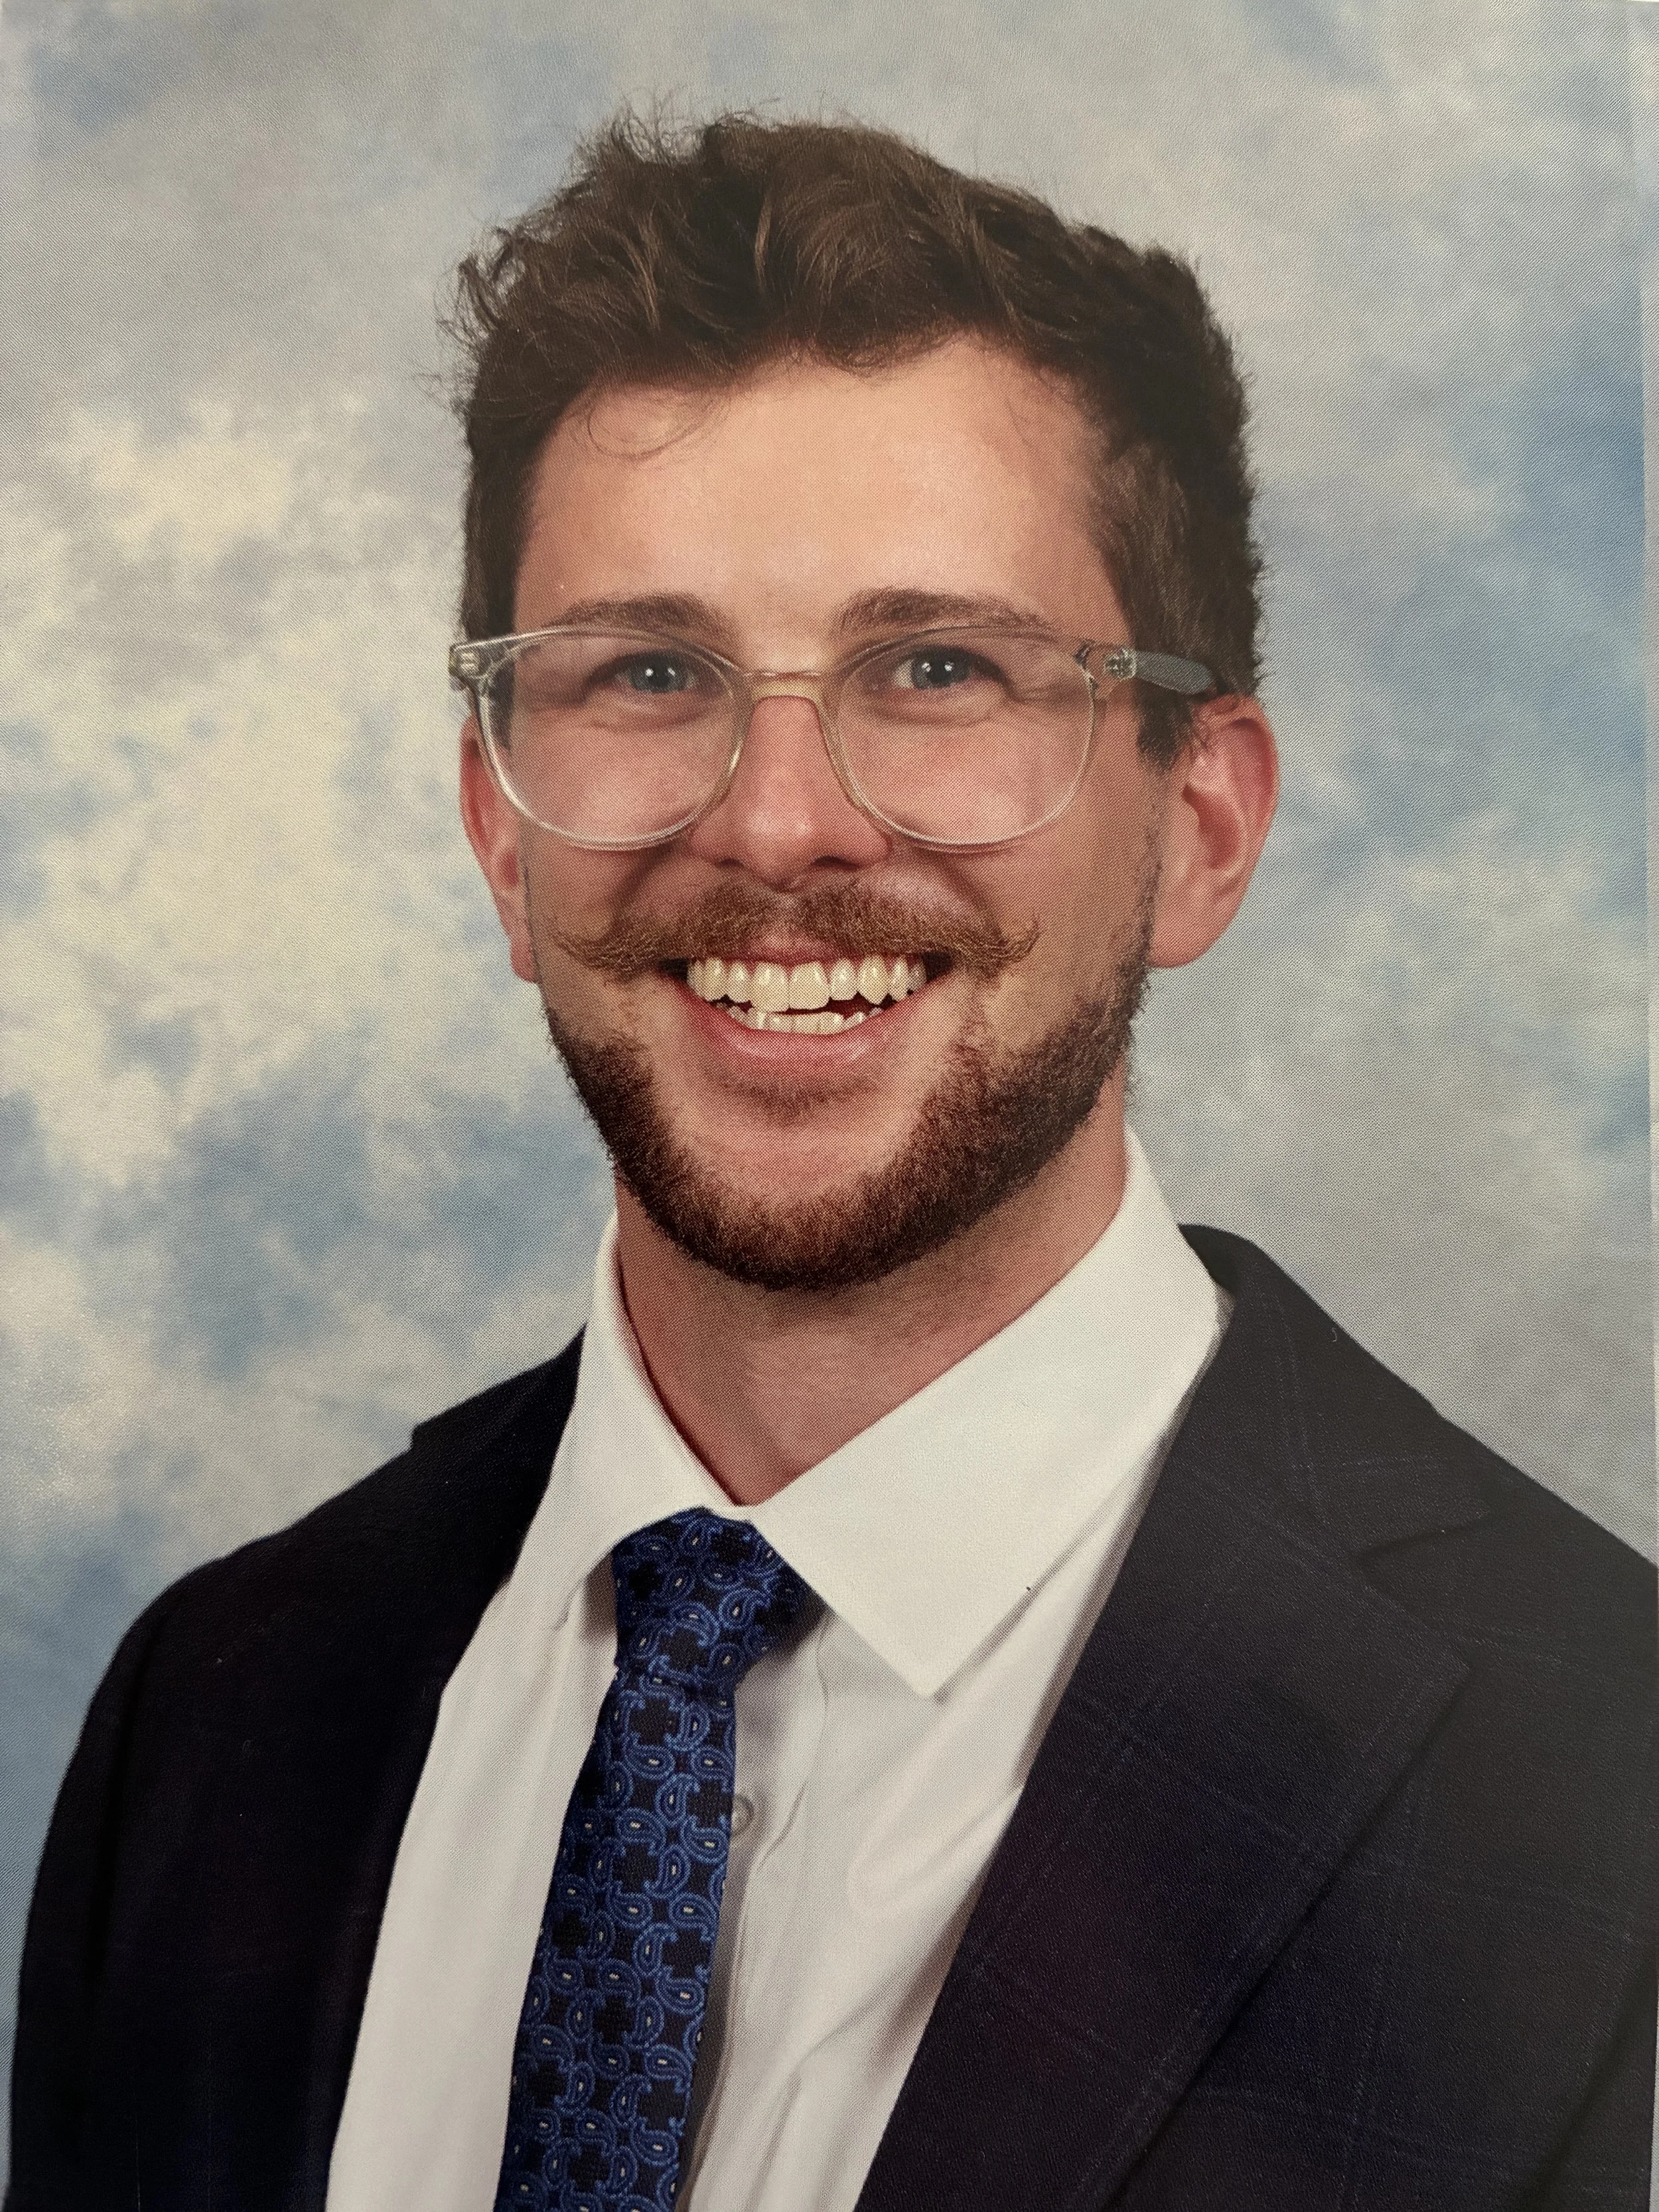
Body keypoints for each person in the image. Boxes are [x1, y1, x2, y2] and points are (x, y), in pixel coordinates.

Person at [8, 111, 1654, 2212]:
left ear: (1201, 826)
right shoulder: (215, 1712)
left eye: (937, 666)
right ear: (500, 833)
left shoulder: (1586, 1784)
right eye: (652, 671)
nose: (778, 823)